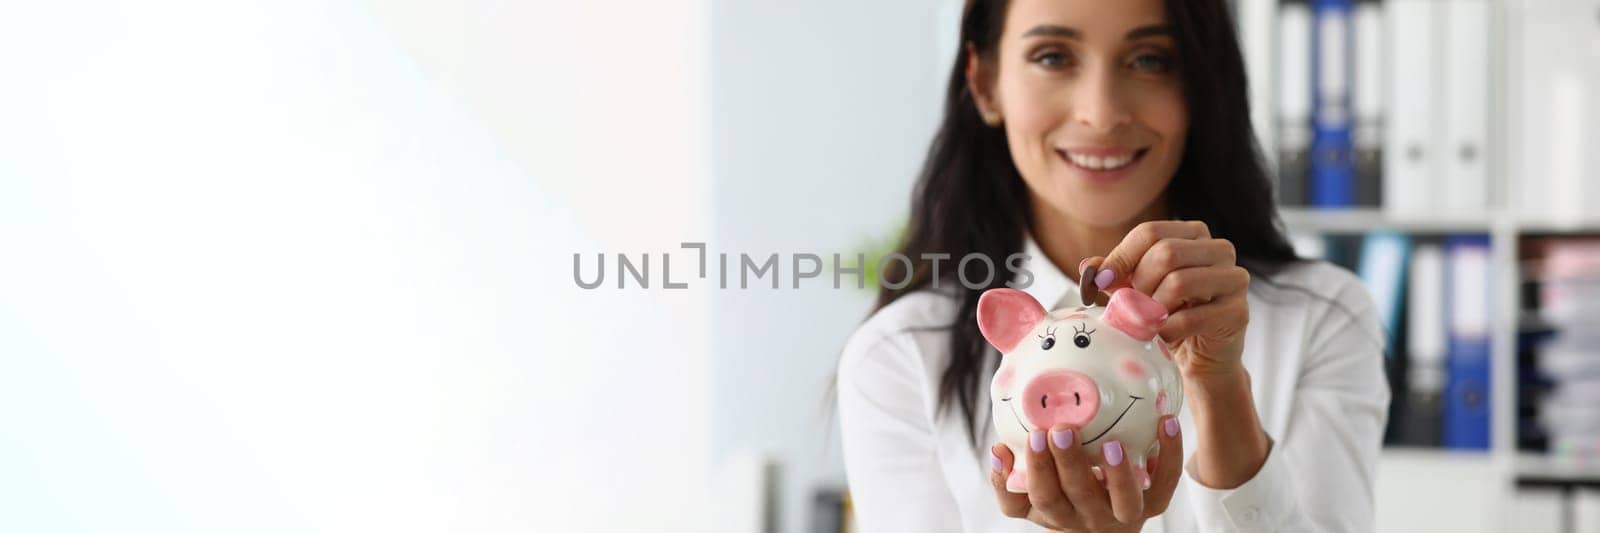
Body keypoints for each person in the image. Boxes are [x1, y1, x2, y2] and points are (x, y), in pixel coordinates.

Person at [834, 0, 1389, 531]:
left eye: (1150, 60)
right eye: (1052, 56)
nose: (1101, 115)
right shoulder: (901, 354)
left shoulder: (1324, 317)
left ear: (1200, 85)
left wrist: (1222, 393)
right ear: (985, 83)